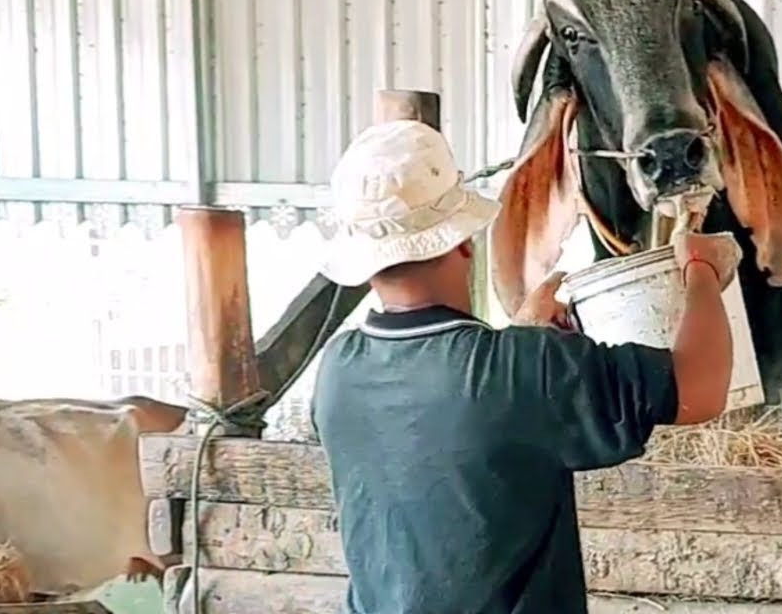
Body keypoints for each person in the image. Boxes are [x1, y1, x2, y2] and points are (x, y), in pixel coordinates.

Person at [310, 118, 743, 614]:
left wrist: (523, 336)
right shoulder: (525, 371)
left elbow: (452, 414)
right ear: (464, 241)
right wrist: (701, 270)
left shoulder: (337, 370)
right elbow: (699, 389)